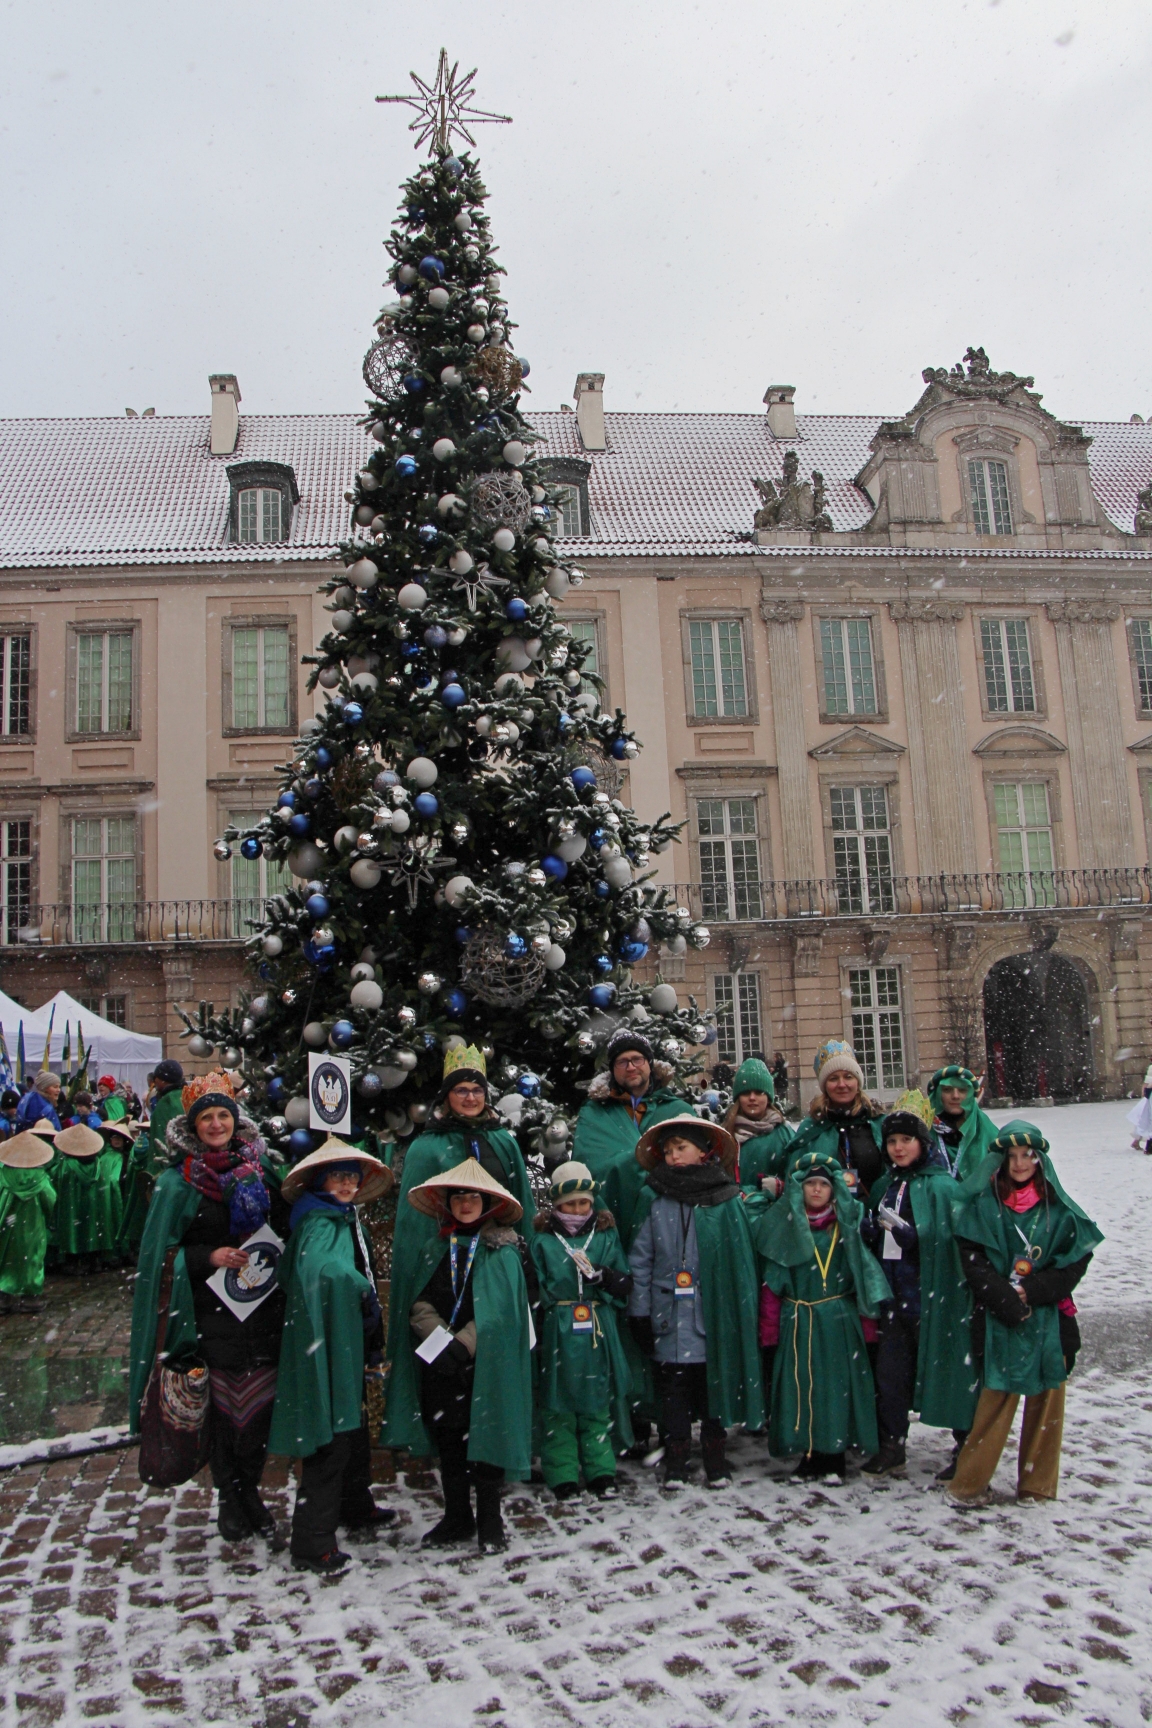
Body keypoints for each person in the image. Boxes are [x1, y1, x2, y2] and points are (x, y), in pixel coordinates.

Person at [128, 1071, 288, 1543]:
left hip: (260, 1308)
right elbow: (160, 1256)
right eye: (207, 1118)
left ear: (235, 1121)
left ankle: (250, 1492)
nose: (217, 1124)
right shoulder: (177, 1183)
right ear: (193, 1127)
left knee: (257, 1412)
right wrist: (207, 1257)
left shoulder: (260, 1170)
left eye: (223, 1115)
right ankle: (230, 1500)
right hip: (207, 1313)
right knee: (223, 1413)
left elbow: (285, 1226)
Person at [382, 1044, 534, 1456]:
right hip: (445, 1270)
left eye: (477, 1089)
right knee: (448, 1371)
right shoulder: (426, 1148)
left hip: (495, 1262)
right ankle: (450, 1450)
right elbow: (415, 1225)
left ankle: (496, 1448)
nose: (470, 1097)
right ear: (446, 1097)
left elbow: (520, 1204)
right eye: (461, 1090)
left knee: (494, 1352)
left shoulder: (504, 1143)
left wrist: (525, 1264)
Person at [947, 1122, 1102, 1508]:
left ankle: (1038, 1485)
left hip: (1049, 1319)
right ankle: (969, 1484)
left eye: (1027, 1156)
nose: (1019, 1164)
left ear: (1039, 1160)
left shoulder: (1058, 1210)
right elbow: (973, 1261)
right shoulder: (984, 1206)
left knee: (1048, 1402)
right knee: (995, 1403)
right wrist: (1006, 1298)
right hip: (999, 1316)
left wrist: (1033, 1290)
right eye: (1012, 1156)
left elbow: (1075, 1262)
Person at [388, 1157, 534, 1555]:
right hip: (441, 1365)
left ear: (487, 1203)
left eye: (473, 1197)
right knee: (449, 1443)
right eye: (458, 1197)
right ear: (447, 1203)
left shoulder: (502, 1252)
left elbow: (501, 1310)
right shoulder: (434, 1249)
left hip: (485, 1365)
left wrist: (465, 1343)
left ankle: (490, 1521)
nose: (465, 1204)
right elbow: (419, 1301)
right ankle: (456, 1516)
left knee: (487, 1442)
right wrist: (440, 1341)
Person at [268, 1138, 396, 1574]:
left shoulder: (343, 1217)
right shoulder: (319, 1222)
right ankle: (312, 1540)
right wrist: (359, 1288)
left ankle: (354, 1504)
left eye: (351, 1178)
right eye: (337, 1176)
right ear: (321, 1181)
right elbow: (320, 1268)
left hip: (344, 1333)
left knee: (351, 1423)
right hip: (329, 1336)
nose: (345, 1184)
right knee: (333, 1432)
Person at [627, 1117, 764, 1489]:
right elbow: (641, 1259)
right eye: (668, 1151)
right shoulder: (653, 1198)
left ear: (703, 1152)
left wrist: (738, 1309)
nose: (674, 1156)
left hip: (712, 1314)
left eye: (681, 1148)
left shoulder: (725, 1199)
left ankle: (715, 1456)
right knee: (673, 1392)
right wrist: (639, 1310)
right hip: (668, 1315)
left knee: (712, 1388)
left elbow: (738, 1263)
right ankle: (676, 1459)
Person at [859, 1092, 979, 1480]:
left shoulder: (943, 1187)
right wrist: (871, 1234)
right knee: (890, 1377)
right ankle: (892, 1444)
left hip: (933, 1299)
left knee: (950, 1372)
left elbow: (954, 1241)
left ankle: (966, 1445)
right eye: (892, 1141)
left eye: (906, 1140)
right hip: (893, 1300)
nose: (898, 1148)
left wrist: (919, 1239)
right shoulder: (885, 1185)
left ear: (922, 1143)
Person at [756, 1149, 890, 1483]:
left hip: (839, 1322)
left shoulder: (848, 1229)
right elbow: (773, 1283)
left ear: (834, 1190)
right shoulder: (785, 1229)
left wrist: (868, 1325)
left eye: (824, 1184)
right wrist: (769, 1330)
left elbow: (863, 1277)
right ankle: (808, 1454)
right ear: (798, 1188)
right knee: (801, 1387)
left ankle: (834, 1455)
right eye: (810, 1183)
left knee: (835, 1389)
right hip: (799, 1320)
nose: (816, 1189)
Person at [529, 1160, 634, 1501]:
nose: (577, 1210)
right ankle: (562, 1474)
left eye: (583, 1203)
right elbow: (535, 1286)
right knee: (557, 1404)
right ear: (557, 1205)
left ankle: (600, 1471)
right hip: (559, 1329)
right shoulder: (543, 1241)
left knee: (596, 1401)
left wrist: (606, 1277)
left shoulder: (604, 1235)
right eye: (569, 1204)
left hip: (596, 1328)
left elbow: (624, 1281)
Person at [573, 1030, 688, 1249]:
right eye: (622, 1062)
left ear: (649, 1063)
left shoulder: (677, 1111)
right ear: (612, 1069)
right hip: (610, 1224)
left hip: (669, 1225)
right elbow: (587, 1168)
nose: (631, 1067)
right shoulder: (595, 1113)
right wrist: (638, 1162)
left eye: (637, 1059)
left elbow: (697, 1166)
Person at [784, 1041, 885, 1200]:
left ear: (857, 1081)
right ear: (825, 1085)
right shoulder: (812, 1128)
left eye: (848, 1077)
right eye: (833, 1078)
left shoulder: (878, 1123)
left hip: (874, 1210)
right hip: (827, 1213)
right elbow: (795, 1180)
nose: (841, 1084)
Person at [118, 1058, 185, 1256]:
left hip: (166, 1169)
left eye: (156, 1079)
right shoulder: (183, 1096)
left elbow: (162, 1141)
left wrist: (156, 1172)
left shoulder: (167, 1102)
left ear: (161, 1080)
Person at [50, 1124, 123, 1273]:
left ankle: (73, 1261)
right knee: (93, 1227)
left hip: (72, 1205)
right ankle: (93, 1260)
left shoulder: (66, 1165)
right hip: (93, 1203)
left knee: (73, 1228)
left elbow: (55, 1181)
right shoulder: (98, 1164)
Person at [0, 1129, 57, 1314]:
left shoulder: (3, 1174)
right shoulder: (40, 1177)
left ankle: (4, 1296)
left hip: (7, 1225)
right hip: (33, 1226)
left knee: (6, 1257)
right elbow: (50, 1199)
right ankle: (30, 1297)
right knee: (32, 1259)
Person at [725, 1057, 793, 1195]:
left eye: (758, 1092)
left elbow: (798, 1179)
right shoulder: (725, 1135)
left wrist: (781, 1187)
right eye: (746, 1093)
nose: (752, 1098)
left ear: (768, 1097)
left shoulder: (784, 1134)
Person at [928, 1064, 999, 1179]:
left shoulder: (986, 1131)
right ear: (937, 1095)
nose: (955, 1096)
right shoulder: (923, 1131)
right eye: (947, 1089)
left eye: (962, 1090)